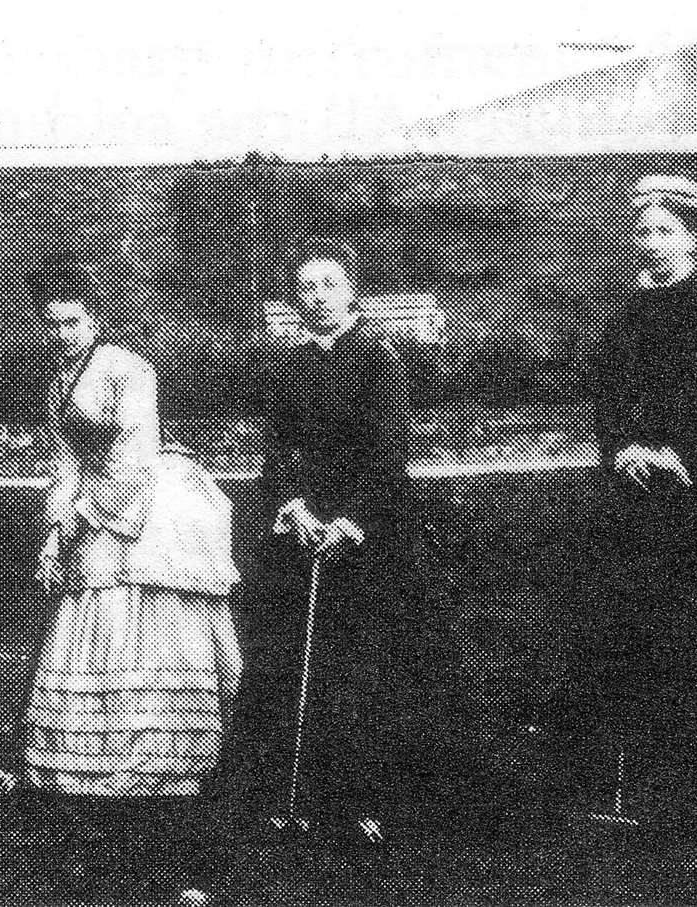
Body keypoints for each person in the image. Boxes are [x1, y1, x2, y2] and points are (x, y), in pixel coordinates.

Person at [220, 239, 487, 899]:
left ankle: (367, 797)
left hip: (370, 533)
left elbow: (388, 451)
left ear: (351, 293)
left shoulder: (377, 357)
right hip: (302, 530)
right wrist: (294, 507)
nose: (316, 295)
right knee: (290, 660)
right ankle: (295, 788)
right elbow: (277, 447)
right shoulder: (288, 365)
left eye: (329, 284)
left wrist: (348, 522)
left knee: (368, 663)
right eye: (305, 286)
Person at [0, 256, 241, 906]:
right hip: (87, 521)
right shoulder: (58, 381)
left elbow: (132, 458)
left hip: (141, 525)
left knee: (146, 659)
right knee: (92, 659)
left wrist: (79, 522)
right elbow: (66, 461)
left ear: (95, 319)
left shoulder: (130, 371)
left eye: (73, 321)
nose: (62, 334)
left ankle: (173, 833)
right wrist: (54, 532)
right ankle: (100, 830)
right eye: (51, 323)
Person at [559, 173, 697, 887]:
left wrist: (681, 453)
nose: (651, 242)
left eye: (665, 231)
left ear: (691, 239)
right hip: (636, 501)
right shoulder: (626, 320)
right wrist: (623, 446)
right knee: (638, 636)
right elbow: (610, 398)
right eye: (642, 231)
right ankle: (648, 791)